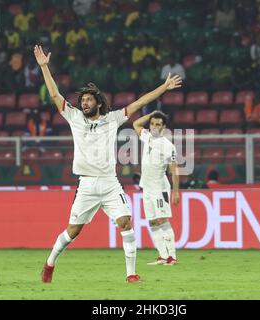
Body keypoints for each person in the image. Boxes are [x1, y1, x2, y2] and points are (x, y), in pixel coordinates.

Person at [34, 45, 182, 283]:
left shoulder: (112, 119)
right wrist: (44, 67)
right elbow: (54, 94)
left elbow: (139, 102)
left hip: (110, 184)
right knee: (73, 231)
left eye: (88, 100)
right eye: (82, 100)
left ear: (98, 103)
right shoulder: (73, 117)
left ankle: (131, 274)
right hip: (87, 185)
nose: (84, 103)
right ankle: (50, 263)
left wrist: (164, 88)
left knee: (126, 222)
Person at [133, 111, 179, 266]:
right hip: (147, 187)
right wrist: (151, 114)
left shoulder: (168, 146)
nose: (154, 127)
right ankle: (163, 256)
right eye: (152, 123)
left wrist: (176, 191)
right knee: (152, 222)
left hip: (160, 188)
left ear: (163, 127)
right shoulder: (147, 137)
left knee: (162, 220)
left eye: (157, 124)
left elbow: (174, 170)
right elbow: (136, 124)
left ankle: (172, 256)